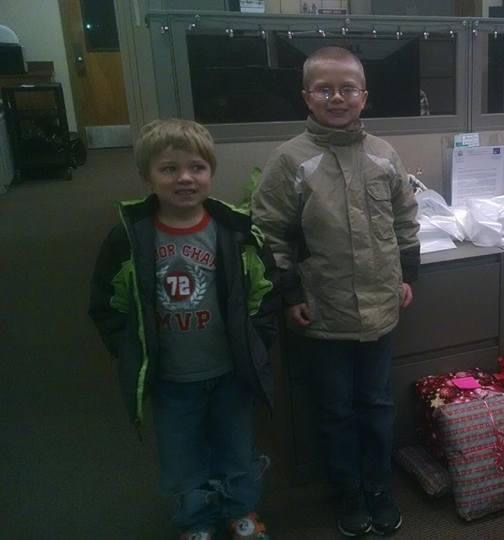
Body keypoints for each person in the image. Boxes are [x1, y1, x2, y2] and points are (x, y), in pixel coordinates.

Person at [251, 46, 420, 537]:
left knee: (377, 404)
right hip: (323, 311)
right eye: (325, 88)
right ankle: (346, 494)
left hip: (380, 306)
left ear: (364, 96)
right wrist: (289, 293)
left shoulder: (383, 154)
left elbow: (404, 219)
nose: (337, 97)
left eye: (348, 88)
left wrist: (407, 274)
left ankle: (378, 488)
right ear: (306, 96)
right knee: (335, 410)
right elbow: (269, 233)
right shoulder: (290, 160)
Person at [89, 119, 279, 540]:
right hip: (171, 376)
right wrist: (129, 351)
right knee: (181, 455)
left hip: (229, 370)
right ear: (147, 177)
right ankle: (195, 519)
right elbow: (107, 304)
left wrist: (256, 344)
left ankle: (240, 509)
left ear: (211, 172)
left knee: (236, 447)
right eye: (169, 169)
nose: (185, 178)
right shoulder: (129, 238)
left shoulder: (233, 232)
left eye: (196, 167)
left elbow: (264, 293)